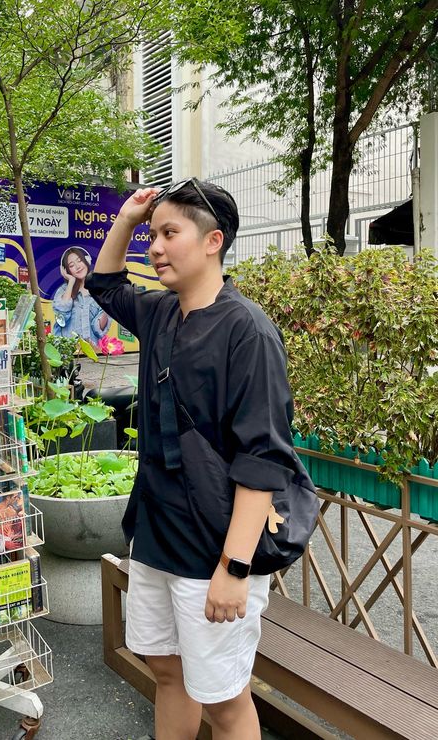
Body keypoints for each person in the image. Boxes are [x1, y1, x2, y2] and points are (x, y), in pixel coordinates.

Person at [86, 179, 299, 740]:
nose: (154, 247)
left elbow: (262, 458)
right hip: (157, 533)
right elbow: (104, 284)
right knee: (166, 671)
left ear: (213, 242)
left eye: (169, 233)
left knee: (225, 701)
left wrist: (235, 569)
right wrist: (130, 218)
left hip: (216, 545)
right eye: (152, 236)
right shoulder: (160, 313)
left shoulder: (247, 330)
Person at [52, 246, 110, 344]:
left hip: (91, 351)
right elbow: (61, 317)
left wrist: (108, 307)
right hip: (68, 352)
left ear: (86, 261)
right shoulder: (63, 290)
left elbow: (98, 330)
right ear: (66, 270)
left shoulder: (99, 290)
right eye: (71, 265)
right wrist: (71, 281)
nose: (78, 266)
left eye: (79, 261)